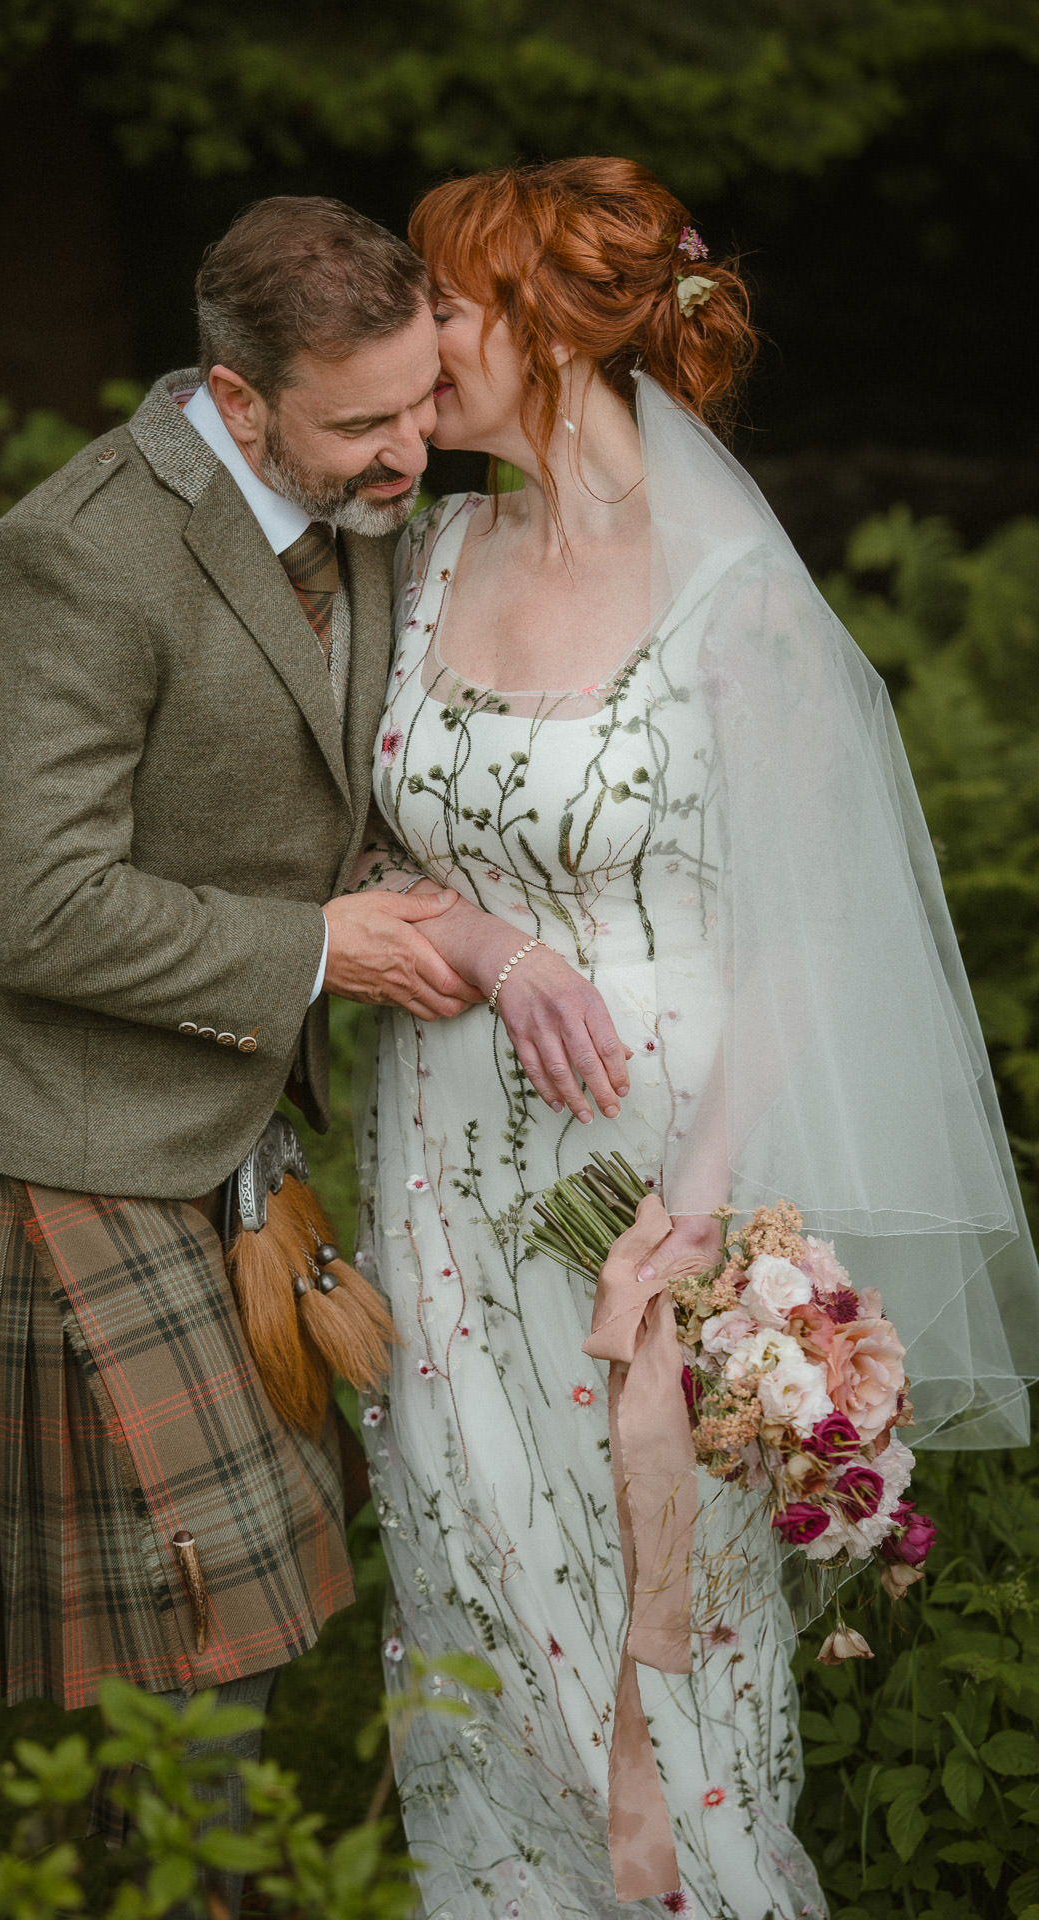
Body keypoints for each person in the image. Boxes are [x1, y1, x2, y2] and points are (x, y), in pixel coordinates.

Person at [351, 157, 1039, 1918]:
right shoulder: (430, 555)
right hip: (435, 1154)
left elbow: (807, 932)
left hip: (647, 1172)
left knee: (657, 1607)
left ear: (549, 331)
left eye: (446, 303)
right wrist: (491, 942)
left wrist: (700, 1217)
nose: (416, 338)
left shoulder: (732, 600)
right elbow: (372, 841)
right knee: (476, 1571)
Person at [0, 194, 477, 1912]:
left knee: (223, 1626)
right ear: (236, 402)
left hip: (229, 1137)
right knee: (210, 1617)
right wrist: (319, 948)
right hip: (62, 1144)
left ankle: (161, 1884)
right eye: (363, 422)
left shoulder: (371, 508)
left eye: (422, 399)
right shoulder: (73, 557)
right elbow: (37, 907)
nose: (413, 451)